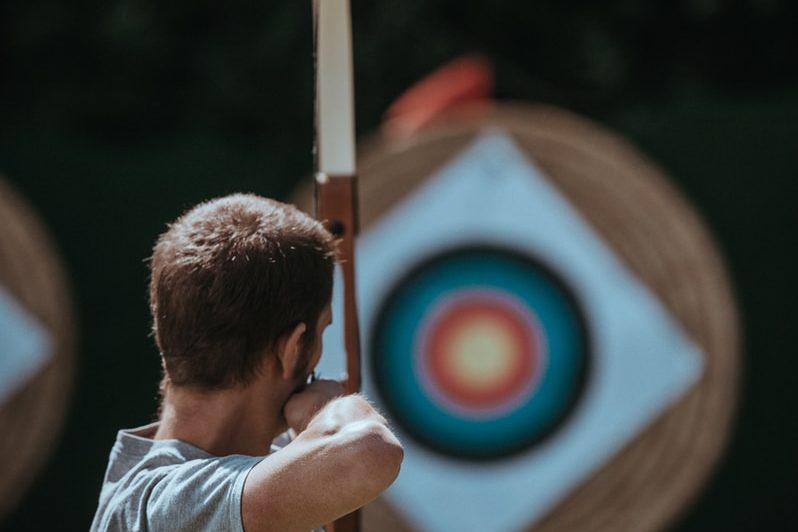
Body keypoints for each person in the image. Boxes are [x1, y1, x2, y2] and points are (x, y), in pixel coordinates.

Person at [90, 193, 404, 532]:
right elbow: (369, 452)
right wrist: (328, 408)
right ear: (293, 348)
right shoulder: (165, 507)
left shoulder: (264, 464)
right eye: (322, 329)